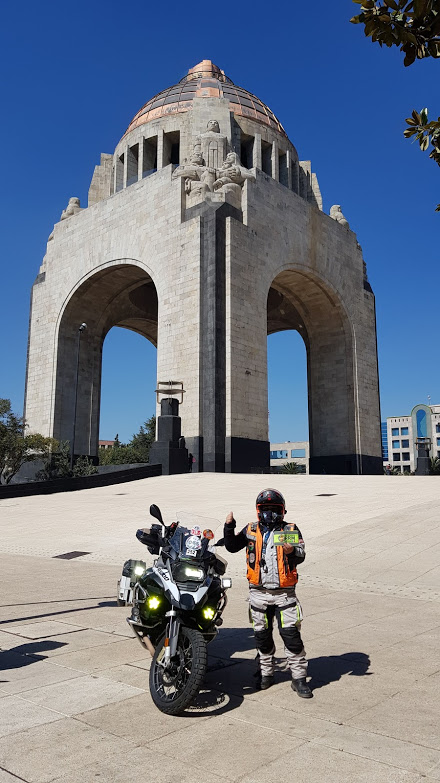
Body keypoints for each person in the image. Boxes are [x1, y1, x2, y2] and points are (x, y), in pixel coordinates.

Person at [223, 488, 312, 698]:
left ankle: (299, 678)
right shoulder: (251, 529)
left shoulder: (289, 529)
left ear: (282, 511)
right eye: (265, 509)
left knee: (291, 636)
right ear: (258, 511)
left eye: (274, 509)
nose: (269, 514)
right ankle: (266, 673)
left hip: (285, 594)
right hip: (258, 593)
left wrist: (292, 551)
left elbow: (301, 554)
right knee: (261, 636)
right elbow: (232, 546)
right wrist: (229, 526)